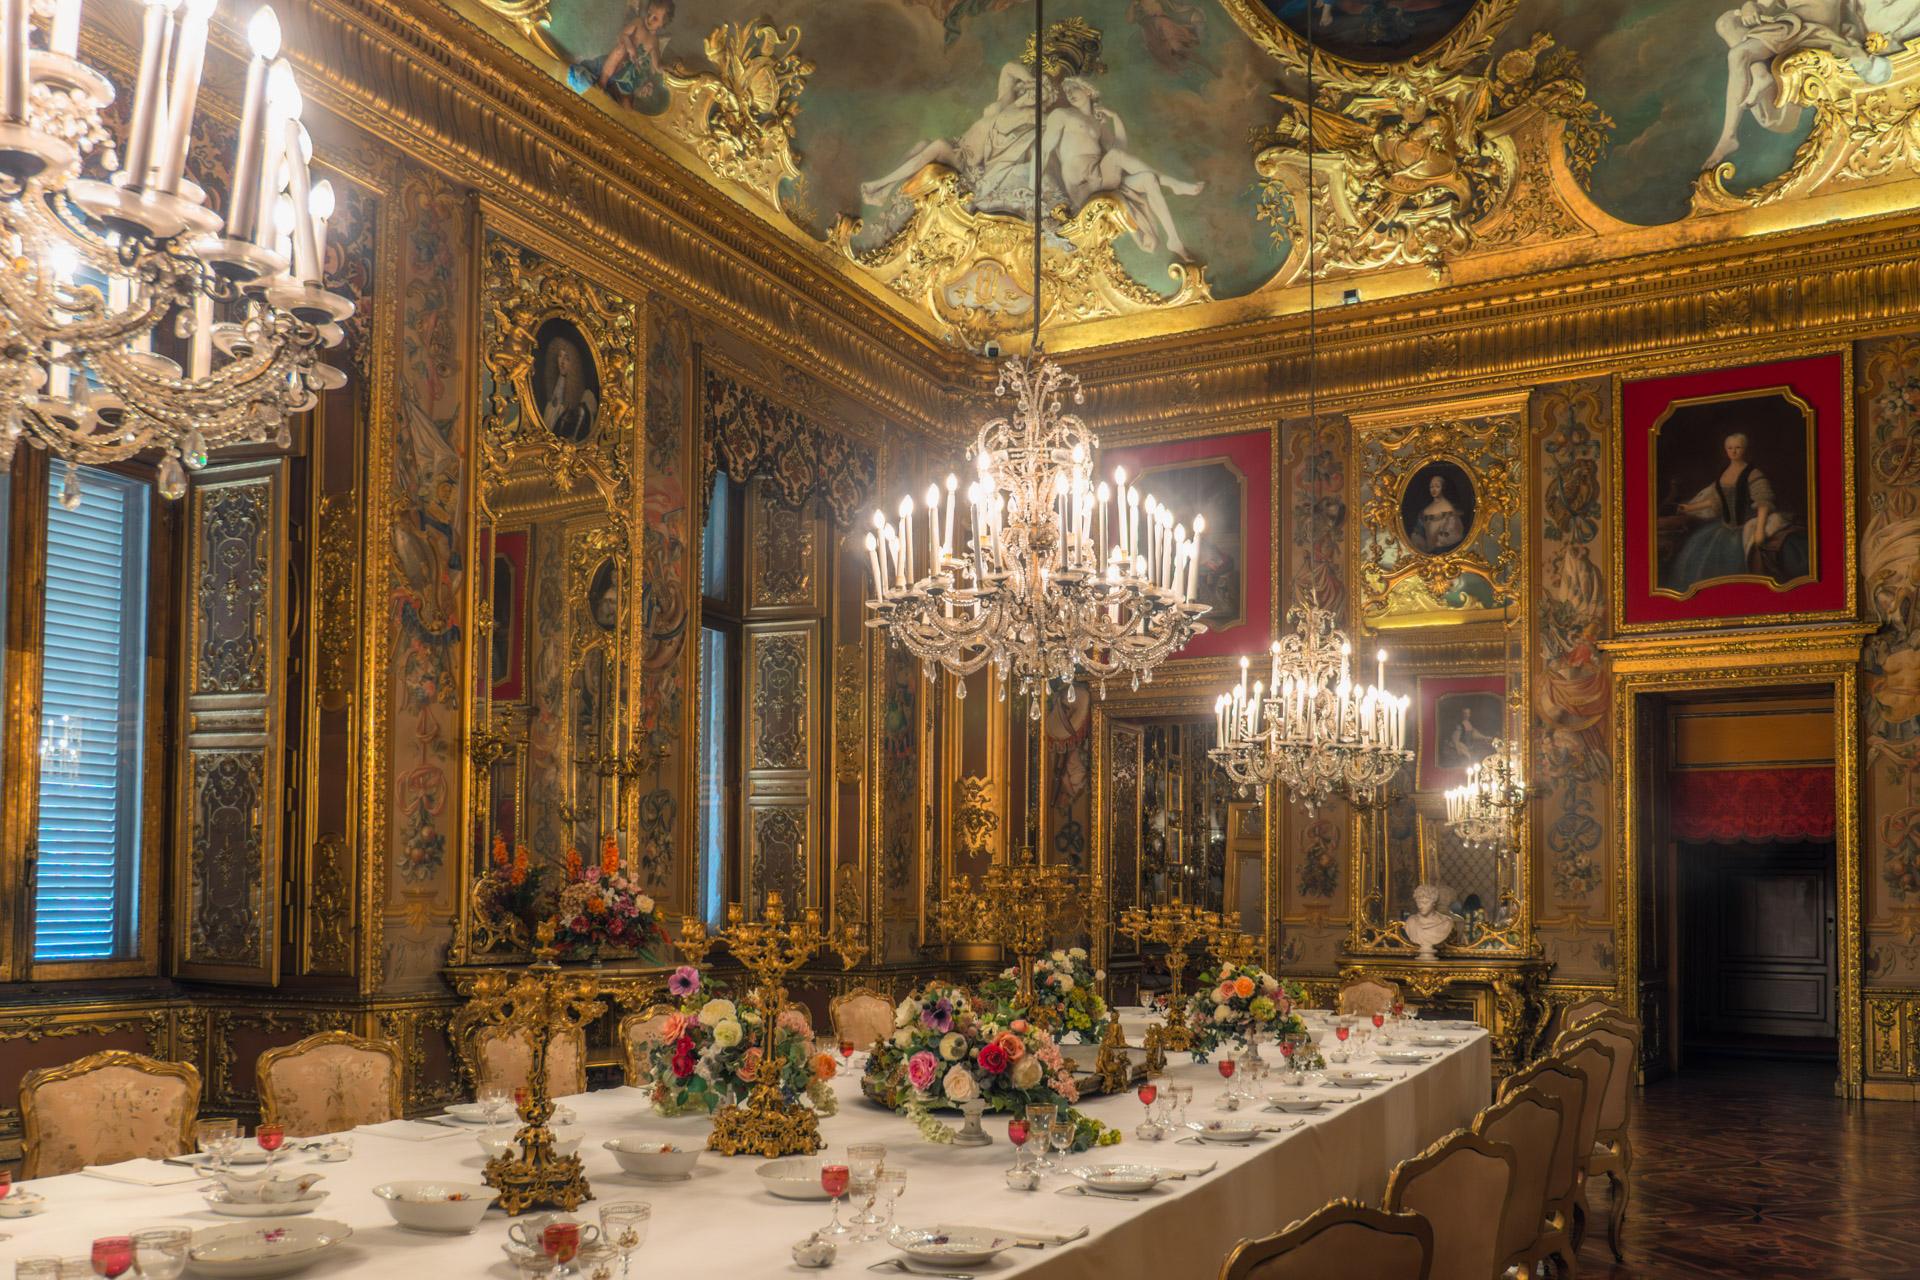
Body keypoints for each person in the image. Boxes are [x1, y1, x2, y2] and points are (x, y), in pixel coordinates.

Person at [1705, 0, 1920, 170]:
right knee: (1726, 23)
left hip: (1810, 29)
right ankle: (1759, 76)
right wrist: (1750, 7)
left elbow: (1858, 14)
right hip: (1791, 26)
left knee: (1738, 53)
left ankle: (1730, 135)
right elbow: (1760, 5)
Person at [1660, 431, 1810, 593]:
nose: (1734, 451)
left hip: (1746, 526)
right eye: (1730, 448)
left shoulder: (1753, 473)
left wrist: (1759, 530)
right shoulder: (1724, 472)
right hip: (1723, 529)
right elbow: (1716, 500)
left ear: (1745, 449)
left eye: (1738, 447)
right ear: (1725, 450)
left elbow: (1763, 503)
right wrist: (1690, 508)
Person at [568, 0, 674, 114]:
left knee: (626, 106)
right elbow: (622, 35)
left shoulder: (654, 42)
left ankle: (621, 120)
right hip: (617, 62)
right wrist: (630, 47)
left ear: (662, 24)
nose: (649, 19)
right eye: (649, 14)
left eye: (655, 18)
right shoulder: (638, 23)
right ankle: (602, 82)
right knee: (621, 49)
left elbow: (657, 65)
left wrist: (667, 68)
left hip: (631, 75)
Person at [540, 333, 598, 444]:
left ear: (573, 363)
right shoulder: (554, 390)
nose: (561, 362)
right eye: (560, 356)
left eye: (566, 358)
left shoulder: (585, 397)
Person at [1409, 470, 1468, 553]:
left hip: (1443, 551)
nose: (1434, 489)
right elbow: (1419, 531)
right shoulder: (1426, 510)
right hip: (1427, 553)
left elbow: (1453, 535)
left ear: (1443, 488)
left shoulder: (1448, 508)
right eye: (1431, 487)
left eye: (1437, 486)